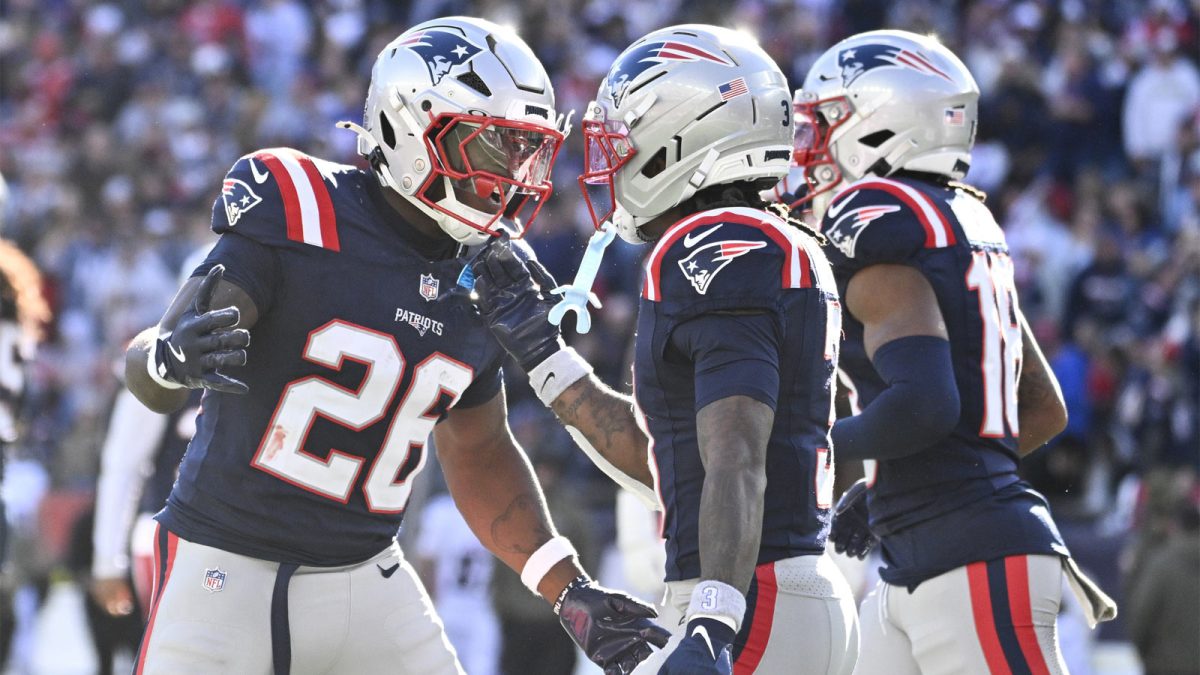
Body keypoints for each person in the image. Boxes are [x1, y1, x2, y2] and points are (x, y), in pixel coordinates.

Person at [121, 17, 667, 675]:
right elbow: (161, 361)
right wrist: (164, 359)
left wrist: (565, 584)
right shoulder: (297, 203)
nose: (512, 176)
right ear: (410, 126)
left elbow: (479, 447)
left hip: (368, 575)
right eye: (490, 147)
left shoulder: (486, 273)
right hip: (224, 568)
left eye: (525, 151)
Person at [471, 24, 858, 675]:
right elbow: (676, 465)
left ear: (685, 136)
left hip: (743, 603)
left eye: (624, 140)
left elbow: (736, 444)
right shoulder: (782, 242)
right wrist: (545, 355)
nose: (612, 162)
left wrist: (711, 619)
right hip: (785, 589)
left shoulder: (711, 244)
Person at [787, 29, 1117, 674]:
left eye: (826, 122)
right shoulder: (963, 217)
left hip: (974, 556)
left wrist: (804, 442)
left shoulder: (881, 214)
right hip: (928, 554)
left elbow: (925, 405)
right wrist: (896, 484)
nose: (810, 145)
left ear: (884, 122)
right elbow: (1041, 408)